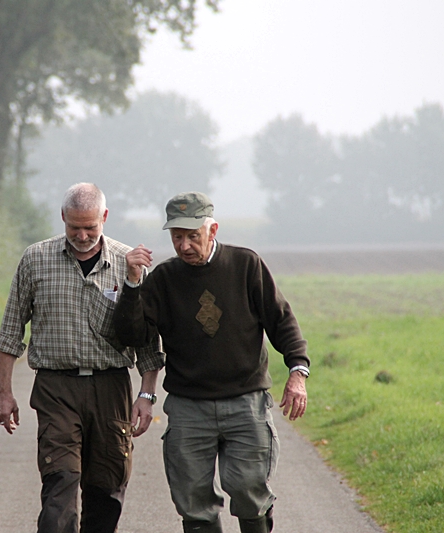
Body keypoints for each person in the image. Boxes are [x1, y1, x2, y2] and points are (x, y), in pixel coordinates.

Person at [113, 191, 310, 533]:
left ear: (213, 230)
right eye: (177, 238)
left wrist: (297, 372)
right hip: (189, 407)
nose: (185, 246)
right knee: (193, 503)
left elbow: (282, 321)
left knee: (249, 491)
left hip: (246, 402)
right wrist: (132, 284)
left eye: (193, 236)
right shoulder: (162, 279)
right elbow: (132, 335)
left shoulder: (246, 266)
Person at [0, 183, 164, 533]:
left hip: (110, 387)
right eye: (75, 228)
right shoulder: (35, 259)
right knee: (60, 482)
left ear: (104, 217)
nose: (83, 235)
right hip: (57, 387)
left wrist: (146, 396)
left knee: (107, 487)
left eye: (91, 227)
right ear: (62, 218)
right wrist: (4, 392)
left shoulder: (128, 263)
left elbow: (147, 342)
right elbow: (11, 330)